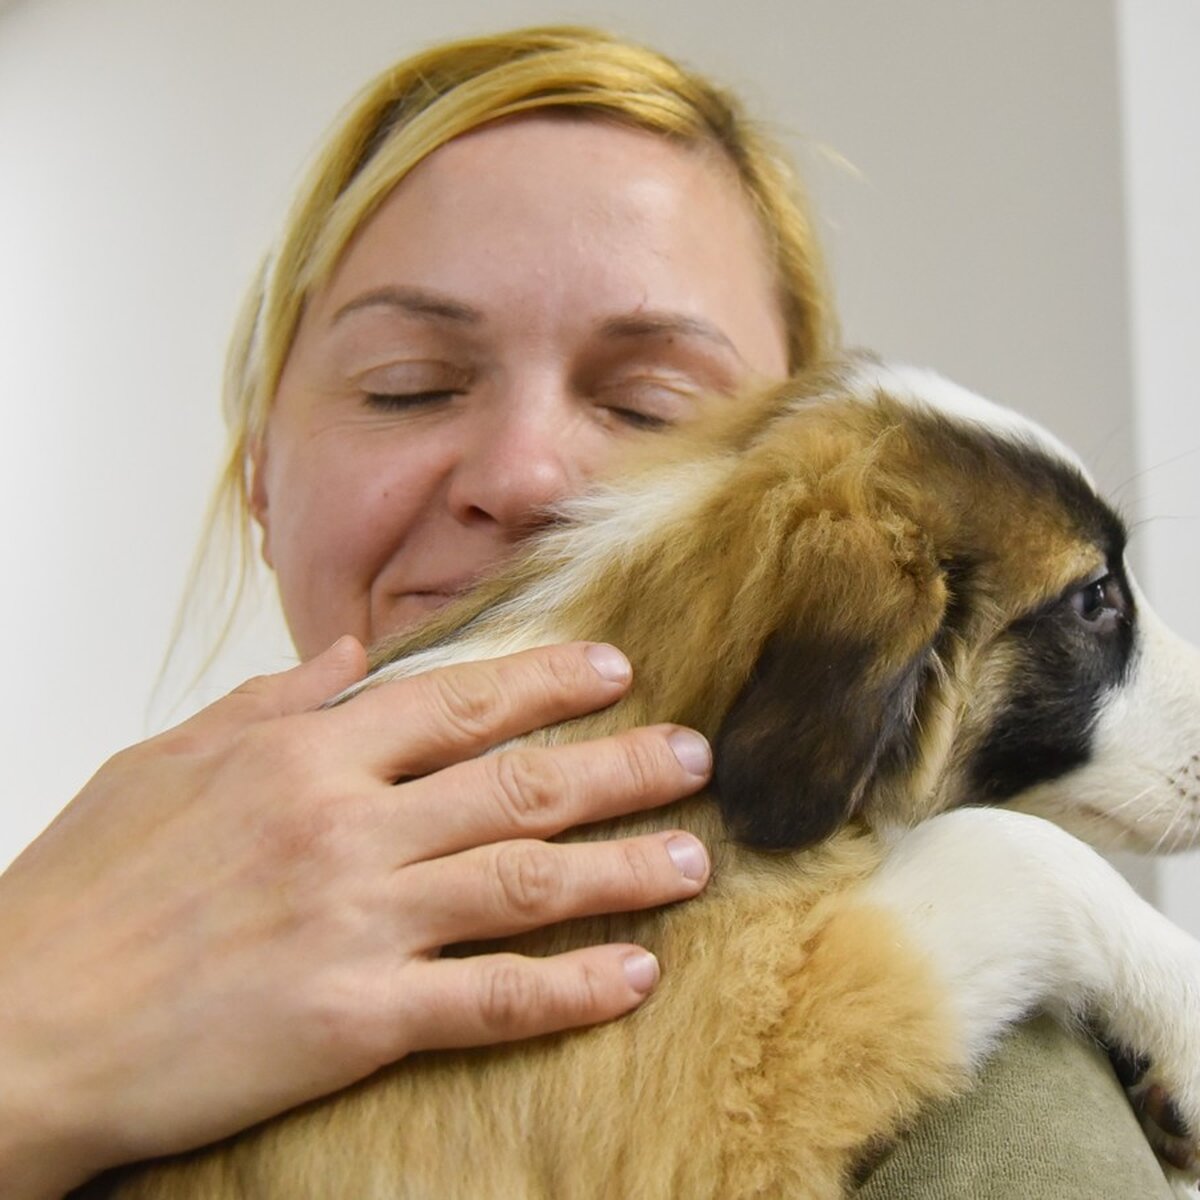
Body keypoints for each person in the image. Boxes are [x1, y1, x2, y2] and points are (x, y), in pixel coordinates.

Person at [0, 25, 1174, 1199]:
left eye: (653, 408)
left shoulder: (999, 1089)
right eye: (409, 385)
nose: (525, 479)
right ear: (259, 471)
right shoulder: (57, 926)